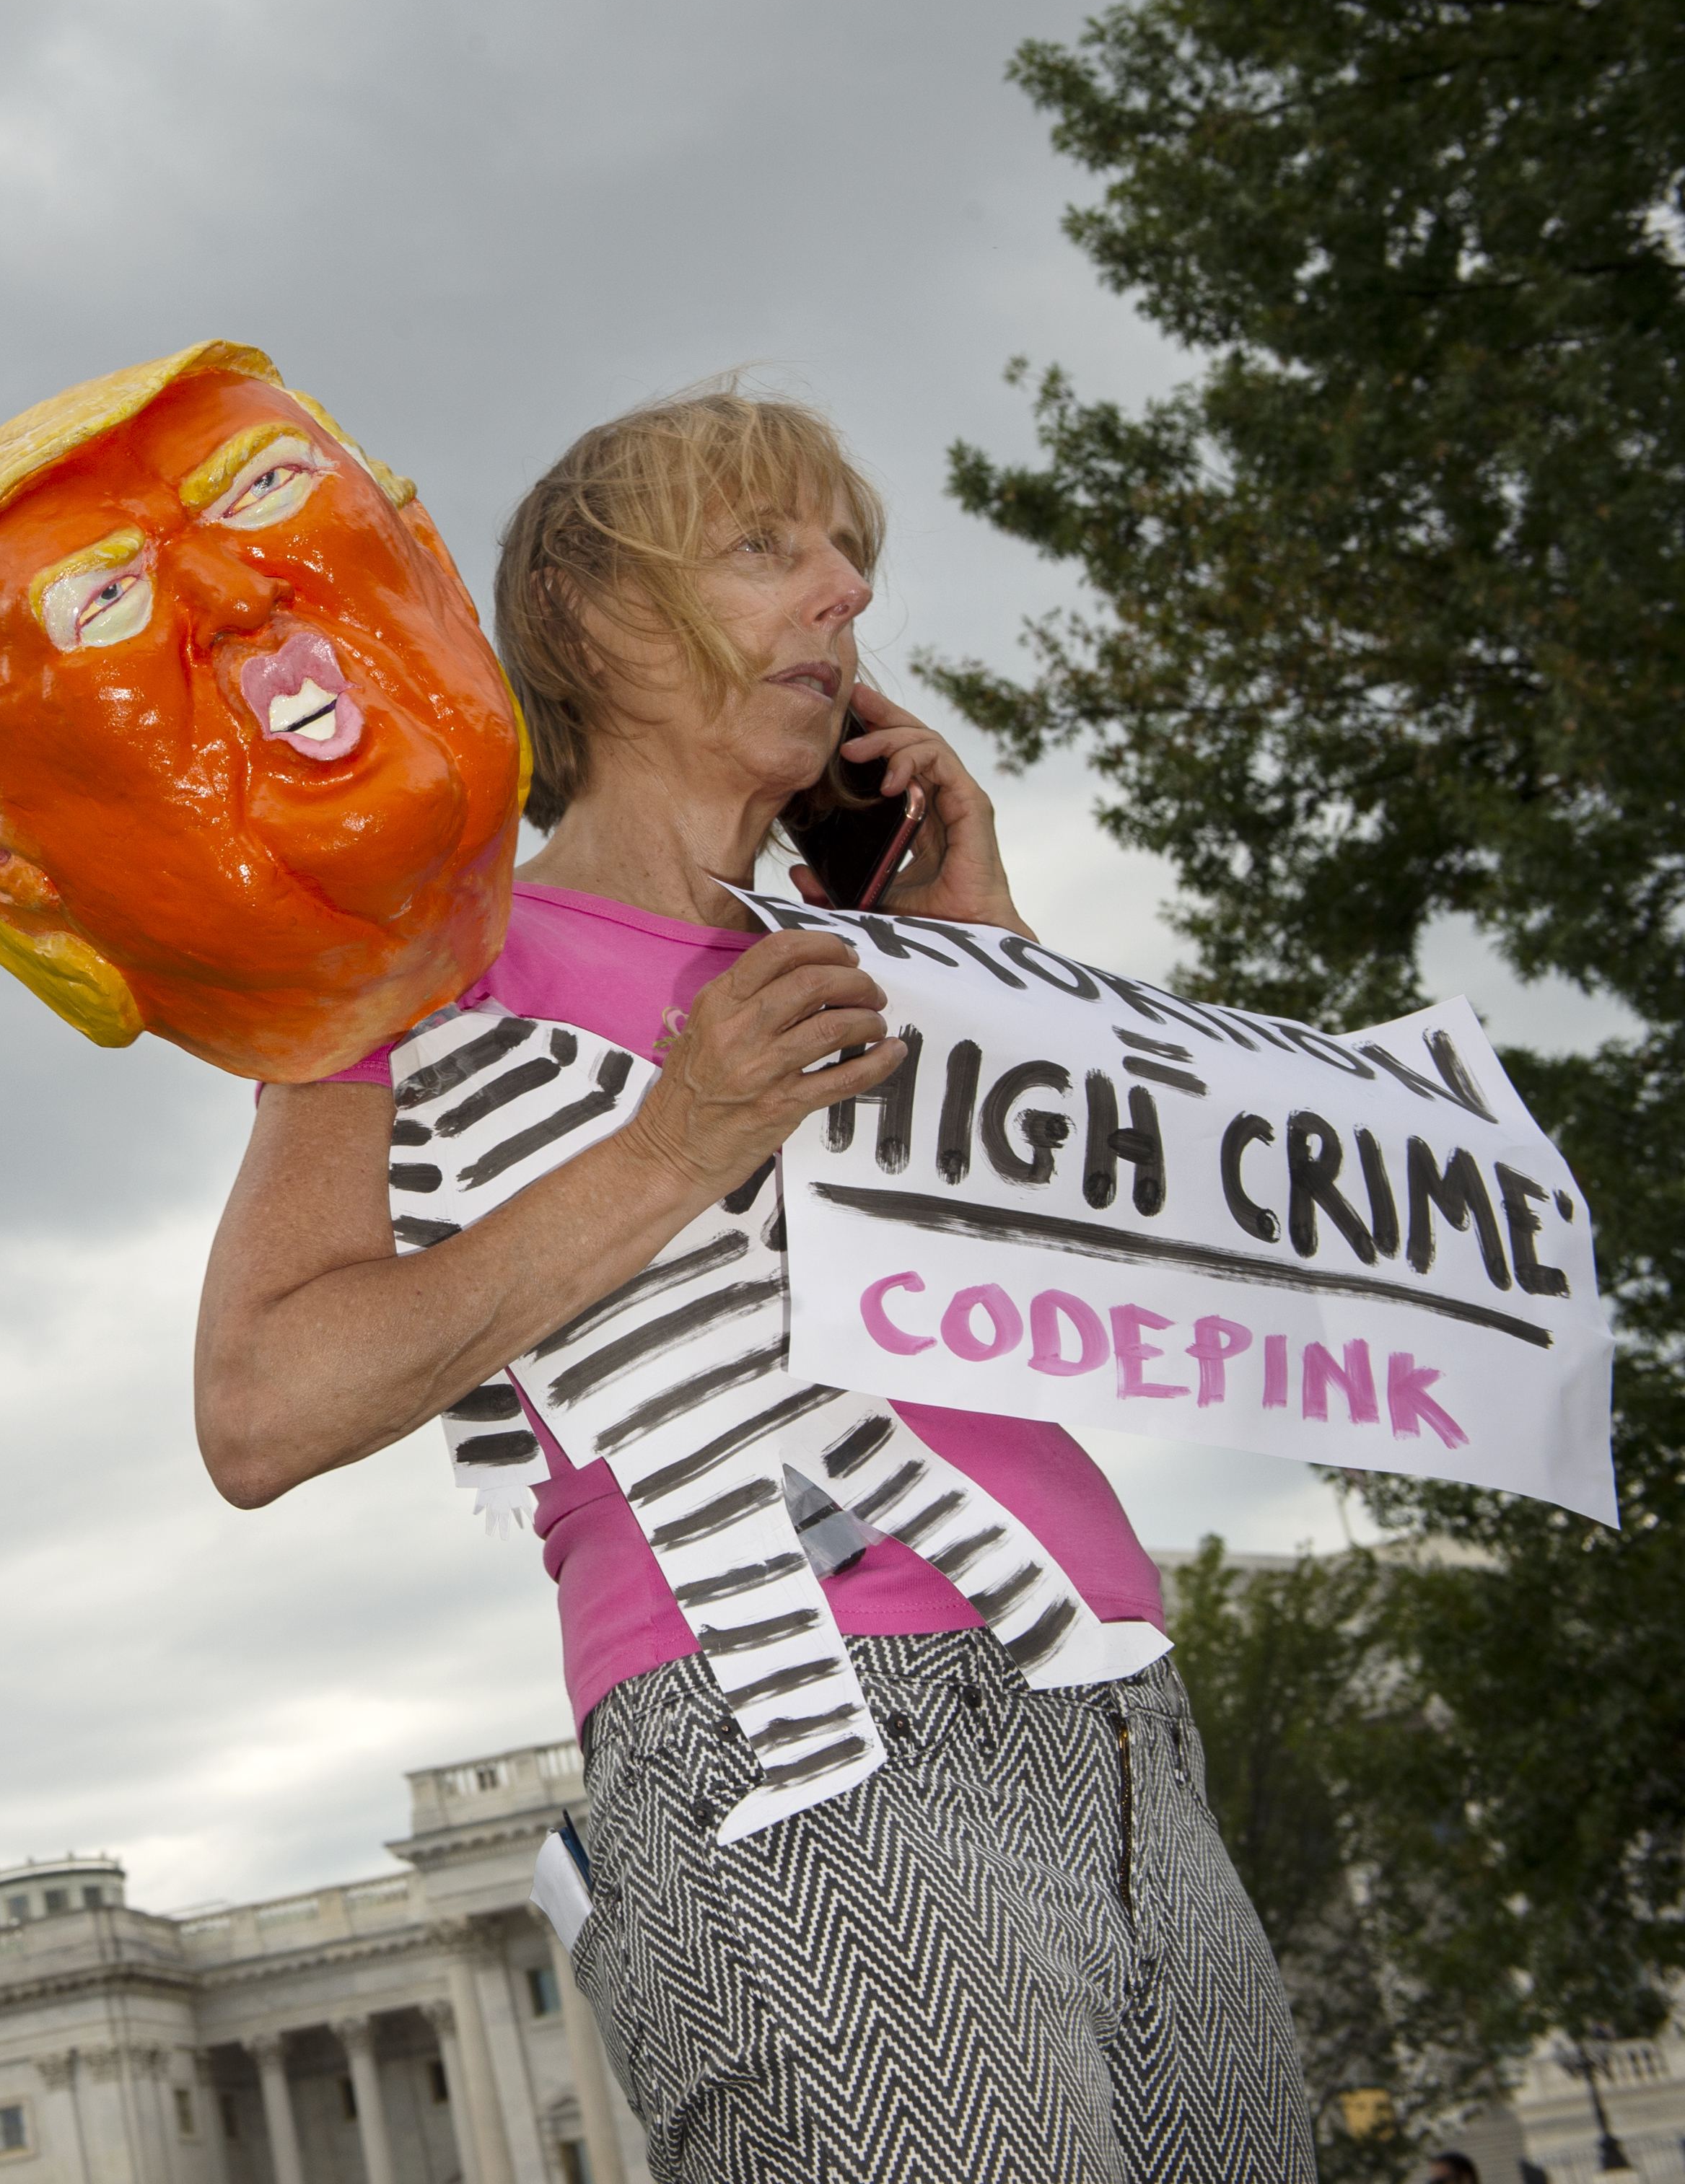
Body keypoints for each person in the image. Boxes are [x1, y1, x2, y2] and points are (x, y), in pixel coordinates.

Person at [191, 384, 1313, 2182]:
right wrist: (677, 1133)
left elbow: (1106, 1292)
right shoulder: (422, 965)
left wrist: (984, 951)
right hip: (800, 1733)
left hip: (1122, 1718)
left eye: (849, 552)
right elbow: (262, 1403)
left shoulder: (870, 950)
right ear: (595, 618)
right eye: (767, 546)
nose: (845, 591)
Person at [0, 340, 527, 1082]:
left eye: (268, 486)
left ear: (428, 551)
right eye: (106, 600)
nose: (236, 596)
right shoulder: (322, 1189)